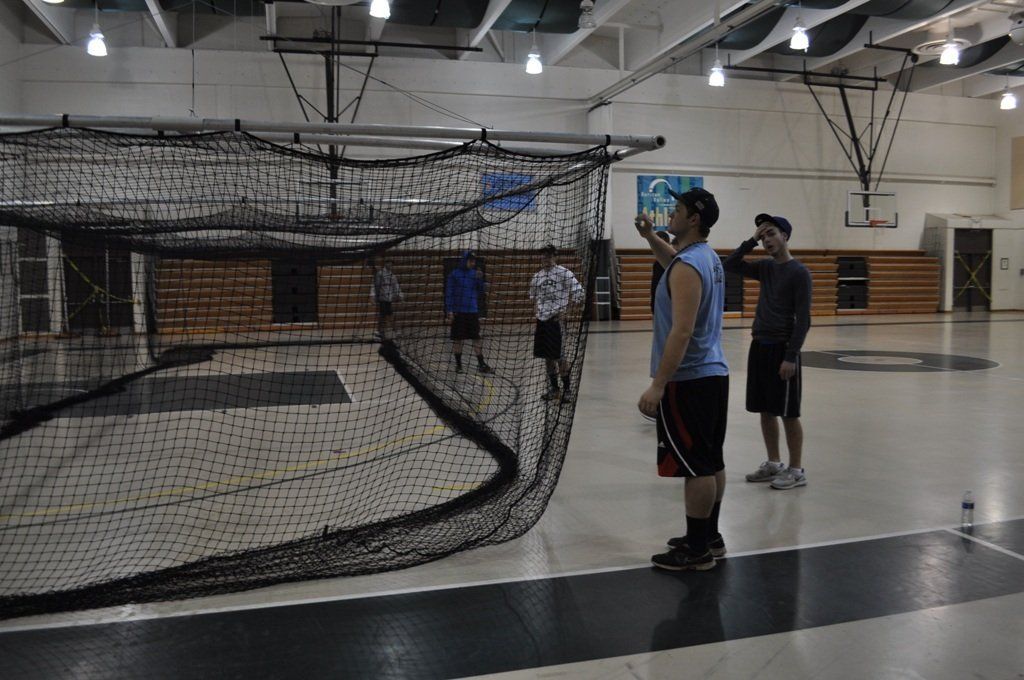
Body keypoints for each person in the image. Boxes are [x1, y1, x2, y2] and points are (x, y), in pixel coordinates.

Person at [636, 187, 729, 571]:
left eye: (676, 210)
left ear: (693, 219)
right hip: (711, 374)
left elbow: (682, 330)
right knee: (710, 459)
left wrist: (659, 383)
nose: (669, 214)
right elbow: (673, 262)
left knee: (696, 466)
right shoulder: (700, 257)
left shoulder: (691, 265)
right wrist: (649, 237)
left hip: (689, 379)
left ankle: (696, 551)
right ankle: (709, 536)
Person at [722, 213, 812, 490]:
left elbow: (804, 318)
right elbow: (730, 265)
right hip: (759, 344)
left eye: (771, 233)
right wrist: (750, 240)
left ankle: (796, 470)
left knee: (788, 412)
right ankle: (774, 463)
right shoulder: (765, 268)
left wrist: (790, 356)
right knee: (765, 409)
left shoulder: (799, 273)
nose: (766, 240)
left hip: (783, 348)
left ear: (785, 235)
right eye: (763, 236)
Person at [529, 244, 585, 403]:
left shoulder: (564, 273)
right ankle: (554, 389)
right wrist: (537, 313)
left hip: (556, 322)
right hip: (542, 322)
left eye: (549, 255)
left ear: (555, 256)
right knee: (547, 357)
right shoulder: (537, 277)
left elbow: (579, 293)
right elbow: (534, 297)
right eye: (543, 255)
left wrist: (567, 311)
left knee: (560, 357)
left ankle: (567, 389)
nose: (546, 258)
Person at [444, 250, 493, 374]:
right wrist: (449, 311)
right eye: (471, 261)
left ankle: (481, 364)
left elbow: (481, 290)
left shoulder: (474, 274)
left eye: (474, 261)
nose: (473, 263)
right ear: (465, 260)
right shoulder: (454, 274)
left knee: (476, 337)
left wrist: (482, 280)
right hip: (458, 312)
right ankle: (459, 365)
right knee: (458, 339)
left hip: (472, 311)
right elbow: (448, 293)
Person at [370, 257, 402, 339]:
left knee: (387, 315)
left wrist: (400, 295)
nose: (390, 264)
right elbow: (375, 285)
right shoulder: (380, 274)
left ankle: (380, 331)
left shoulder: (392, 276)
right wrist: (373, 296)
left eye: (391, 263)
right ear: (385, 263)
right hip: (382, 298)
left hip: (389, 298)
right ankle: (380, 331)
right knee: (384, 315)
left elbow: (396, 286)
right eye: (388, 262)